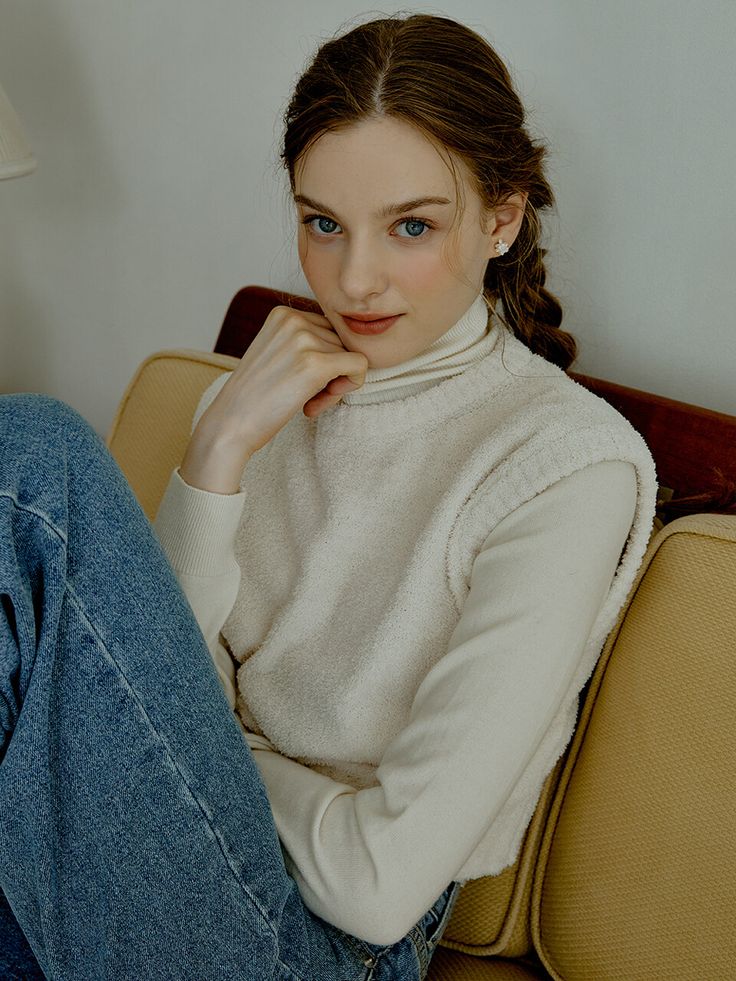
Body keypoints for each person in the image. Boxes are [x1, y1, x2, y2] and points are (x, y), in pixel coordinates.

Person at [0, 12, 658, 981]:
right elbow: (144, 694)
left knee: (33, 459)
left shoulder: (565, 466)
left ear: (502, 218)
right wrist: (217, 449)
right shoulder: (252, 402)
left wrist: (168, 745)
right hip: (119, 862)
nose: (353, 278)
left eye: (411, 226)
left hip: (309, 947)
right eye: (321, 223)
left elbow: (376, 884)